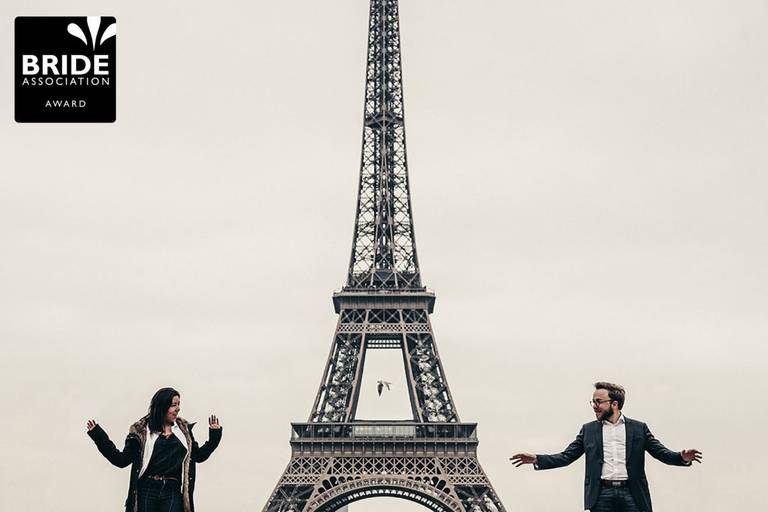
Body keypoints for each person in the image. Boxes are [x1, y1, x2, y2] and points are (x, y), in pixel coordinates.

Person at [510, 382, 702, 512]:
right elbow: (566, 456)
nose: (594, 405)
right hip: (601, 494)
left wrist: (681, 457)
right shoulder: (588, 430)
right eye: (593, 401)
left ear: (615, 404)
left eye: (598, 401)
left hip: (632, 494)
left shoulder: (638, 429)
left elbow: (661, 453)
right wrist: (536, 459)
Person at [86, 387, 222, 512]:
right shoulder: (141, 432)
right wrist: (98, 435)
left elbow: (199, 456)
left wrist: (214, 435)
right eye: (173, 405)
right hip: (147, 490)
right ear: (162, 407)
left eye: (179, 404)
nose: (178, 409)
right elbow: (120, 460)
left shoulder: (183, 432)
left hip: (172, 491)